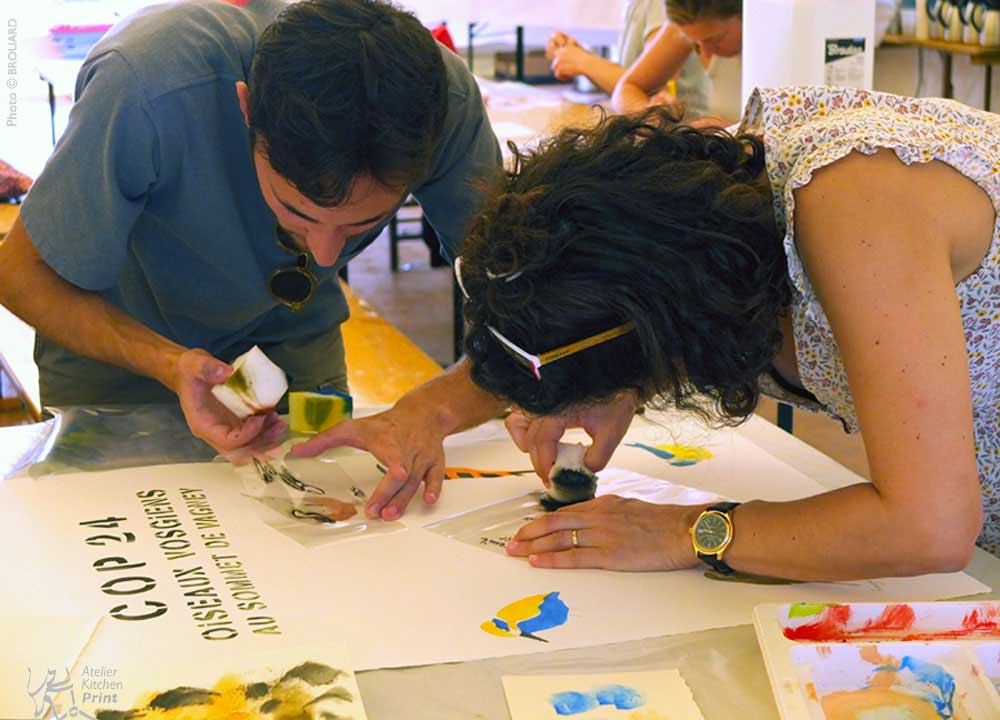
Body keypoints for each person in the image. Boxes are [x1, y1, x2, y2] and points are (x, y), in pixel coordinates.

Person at [456, 85, 1000, 580]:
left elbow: (928, 526)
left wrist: (685, 532)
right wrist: (622, 380)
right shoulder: (709, 223)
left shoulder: (854, 201)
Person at [0, 0, 506, 519]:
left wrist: (430, 407)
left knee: (328, 536)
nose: (325, 252)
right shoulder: (147, 81)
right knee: (124, 536)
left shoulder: (443, 105)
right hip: (119, 336)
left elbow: (522, 307)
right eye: (296, 213)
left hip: (292, 328)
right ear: (246, 111)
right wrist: (169, 364)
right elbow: (20, 275)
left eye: (361, 225)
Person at [545, 0, 710, 119]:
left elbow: (654, 86)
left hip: (683, 135)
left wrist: (583, 62)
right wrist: (581, 57)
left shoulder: (658, 5)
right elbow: (636, 73)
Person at [612, 0, 741, 119]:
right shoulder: (684, 28)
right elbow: (627, 88)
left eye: (715, 40)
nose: (705, 53)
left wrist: (732, 129)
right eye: (695, 43)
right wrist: (649, 113)